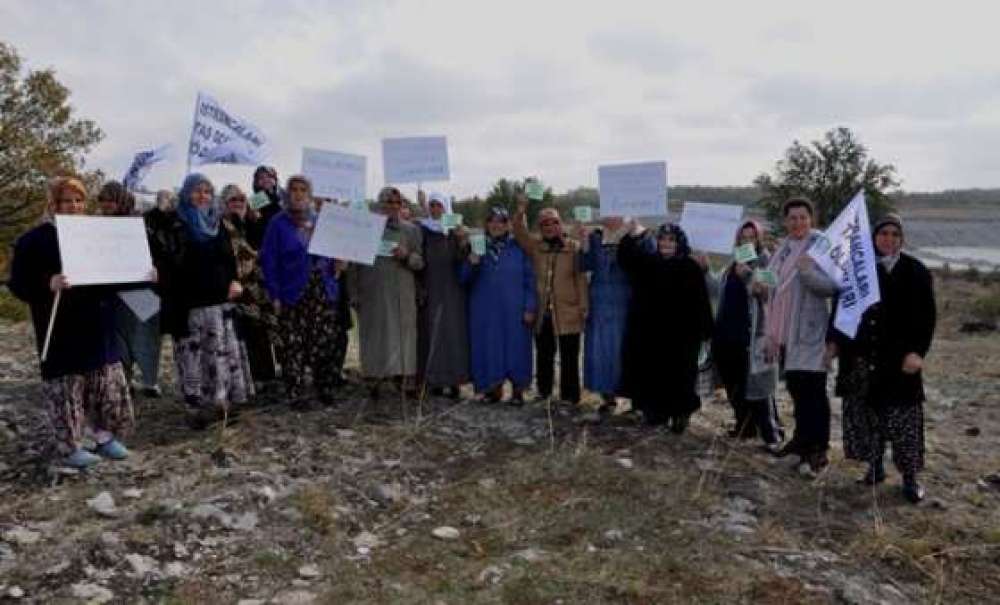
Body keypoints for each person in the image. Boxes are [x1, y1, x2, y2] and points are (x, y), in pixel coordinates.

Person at [9, 177, 136, 467]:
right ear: (53, 204)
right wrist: (47, 282)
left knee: (103, 381)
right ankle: (70, 444)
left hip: (97, 320)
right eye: (67, 201)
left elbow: (113, 273)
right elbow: (17, 283)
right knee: (68, 385)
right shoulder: (34, 240)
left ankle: (104, 436)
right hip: (60, 324)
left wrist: (140, 272)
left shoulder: (96, 234)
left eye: (78, 200)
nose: (74, 206)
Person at [832, 214, 936, 503]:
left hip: (900, 360)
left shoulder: (916, 271)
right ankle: (874, 468)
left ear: (901, 238)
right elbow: (842, 313)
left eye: (894, 234)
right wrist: (834, 345)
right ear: (873, 238)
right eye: (883, 234)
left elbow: (927, 318)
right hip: (862, 358)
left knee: (904, 421)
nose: (888, 239)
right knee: (867, 418)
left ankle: (910, 478)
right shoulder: (858, 271)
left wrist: (917, 352)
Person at [152, 173, 252, 427]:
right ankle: (195, 409)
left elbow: (230, 259)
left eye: (207, 191)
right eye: (197, 190)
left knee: (218, 357)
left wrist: (234, 280)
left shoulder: (218, 224)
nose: (202, 196)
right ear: (185, 193)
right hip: (187, 305)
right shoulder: (173, 223)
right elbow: (165, 259)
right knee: (191, 360)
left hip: (219, 303)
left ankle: (221, 404)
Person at [765, 198, 839, 475]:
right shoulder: (784, 248)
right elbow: (773, 281)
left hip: (810, 331)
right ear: (786, 221)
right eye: (792, 218)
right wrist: (758, 281)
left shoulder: (821, 245)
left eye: (802, 217)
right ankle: (801, 441)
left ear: (812, 219)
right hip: (785, 332)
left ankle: (817, 449)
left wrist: (807, 271)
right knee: (796, 388)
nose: (797, 223)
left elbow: (832, 287)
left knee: (814, 392)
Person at [618, 221, 713, 431]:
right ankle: (656, 413)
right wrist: (631, 234)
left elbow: (701, 300)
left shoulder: (690, 267)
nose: (666, 243)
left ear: (679, 242)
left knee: (681, 376)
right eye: (662, 238)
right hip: (652, 333)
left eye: (671, 239)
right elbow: (625, 259)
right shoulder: (649, 263)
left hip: (682, 336)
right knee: (653, 373)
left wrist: (706, 330)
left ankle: (681, 414)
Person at [260, 176, 343, 406]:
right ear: (288, 194)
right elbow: (269, 260)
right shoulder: (278, 223)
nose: (298, 194)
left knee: (323, 340)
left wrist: (338, 264)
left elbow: (332, 256)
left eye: (303, 189)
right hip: (292, 290)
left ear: (310, 194)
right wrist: (274, 294)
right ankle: (295, 392)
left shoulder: (321, 221)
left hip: (321, 288)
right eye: (294, 189)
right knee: (293, 343)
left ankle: (324, 387)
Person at [710, 220, 783, 449]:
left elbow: (770, 293)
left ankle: (772, 435)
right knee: (734, 385)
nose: (747, 241)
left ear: (759, 239)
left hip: (752, 336)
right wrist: (704, 270)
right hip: (726, 335)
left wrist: (749, 276)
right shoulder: (733, 262)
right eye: (744, 237)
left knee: (759, 388)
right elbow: (717, 291)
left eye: (752, 237)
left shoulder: (766, 261)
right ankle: (744, 427)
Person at [347, 186, 424, 399]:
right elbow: (353, 263)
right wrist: (353, 292)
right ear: (380, 204)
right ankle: (373, 378)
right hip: (372, 291)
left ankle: (404, 379)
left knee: (403, 337)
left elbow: (420, 263)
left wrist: (407, 255)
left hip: (403, 292)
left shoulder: (411, 230)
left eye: (397, 203)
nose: (393, 206)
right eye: (388, 202)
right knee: (374, 335)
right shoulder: (365, 229)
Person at [512, 196, 587, 405]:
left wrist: (584, 306)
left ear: (560, 224)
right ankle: (544, 392)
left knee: (570, 356)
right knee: (544, 355)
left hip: (568, 311)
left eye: (554, 222)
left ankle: (570, 396)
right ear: (540, 227)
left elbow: (580, 279)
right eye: (545, 223)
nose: (550, 227)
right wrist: (521, 210)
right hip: (543, 310)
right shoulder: (535, 246)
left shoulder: (573, 247)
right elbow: (519, 232)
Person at [458, 207, 537, 403]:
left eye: (501, 221)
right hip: (485, 310)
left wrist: (529, 307)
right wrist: (472, 262)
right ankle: (491, 388)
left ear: (508, 224)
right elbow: (463, 279)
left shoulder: (518, 248)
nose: (496, 225)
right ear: (486, 224)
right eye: (492, 220)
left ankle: (518, 391)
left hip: (514, 309)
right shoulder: (476, 245)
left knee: (517, 348)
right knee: (488, 347)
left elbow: (530, 280)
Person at [95, 181, 165, 398]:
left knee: (147, 339)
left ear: (121, 199)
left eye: (111, 199)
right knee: (119, 342)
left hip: (142, 290)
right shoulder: (95, 228)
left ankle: (150, 381)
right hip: (112, 292)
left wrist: (156, 269)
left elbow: (159, 251)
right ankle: (124, 381)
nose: (107, 205)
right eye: (104, 200)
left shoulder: (141, 223)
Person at [220, 183, 278, 384]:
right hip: (237, 287)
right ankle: (251, 378)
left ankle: (266, 376)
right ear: (224, 203)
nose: (238, 203)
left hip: (259, 288)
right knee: (244, 333)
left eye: (241, 199)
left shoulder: (254, 224)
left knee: (260, 331)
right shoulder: (221, 226)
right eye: (232, 200)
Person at [416, 192, 470, 398]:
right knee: (432, 334)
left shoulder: (455, 231)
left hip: (453, 291)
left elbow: (463, 258)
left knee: (453, 335)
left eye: (439, 205)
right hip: (431, 287)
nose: (436, 209)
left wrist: (463, 241)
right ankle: (435, 380)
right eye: (432, 205)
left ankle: (455, 380)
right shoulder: (423, 231)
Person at [576, 215, 631, 416]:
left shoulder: (631, 237)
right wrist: (583, 243)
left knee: (625, 348)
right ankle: (608, 396)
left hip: (625, 299)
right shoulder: (595, 237)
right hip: (599, 300)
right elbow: (583, 265)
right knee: (602, 348)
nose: (612, 217)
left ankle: (633, 396)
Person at [248, 165, 283, 248]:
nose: (266, 180)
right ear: (256, 182)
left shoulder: (282, 197)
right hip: (264, 242)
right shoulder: (256, 199)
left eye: (269, 176)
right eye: (261, 178)